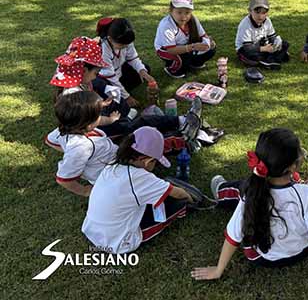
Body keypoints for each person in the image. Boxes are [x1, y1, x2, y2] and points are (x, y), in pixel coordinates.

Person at [191, 128, 308, 280]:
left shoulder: (251, 193)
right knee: (250, 190)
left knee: (241, 188)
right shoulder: (305, 193)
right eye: (299, 152)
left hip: (261, 258)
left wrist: (218, 270)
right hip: (301, 252)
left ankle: (221, 191)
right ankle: (223, 191)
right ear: (291, 167)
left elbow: (233, 236)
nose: (302, 154)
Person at [47, 37, 204, 148]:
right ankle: (182, 125)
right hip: (98, 133)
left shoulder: (77, 84)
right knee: (139, 127)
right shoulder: (73, 96)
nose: (96, 75)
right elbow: (91, 121)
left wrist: (102, 103)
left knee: (115, 100)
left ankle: (175, 123)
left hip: (94, 122)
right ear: (84, 70)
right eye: (96, 72)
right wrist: (110, 120)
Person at [82, 127, 194, 253]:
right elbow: (178, 194)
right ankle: (185, 208)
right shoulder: (140, 177)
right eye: (155, 162)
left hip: (91, 229)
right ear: (146, 161)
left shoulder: (113, 164)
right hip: (118, 242)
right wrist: (190, 198)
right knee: (177, 204)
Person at [48, 91, 118, 197]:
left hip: (109, 159)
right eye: (98, 115)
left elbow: (50, 140)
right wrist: (84, 191)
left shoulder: (64, 128)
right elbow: (64, 179)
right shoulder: (81, 147)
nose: (101, 117)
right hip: (109, 175)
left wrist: (67, 150)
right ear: (89, 124)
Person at [154, 0, 216, 79]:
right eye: (179, 12)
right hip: (165, 50)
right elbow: (171, 50)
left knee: (211, 49)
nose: (183, 16)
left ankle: (195, 63)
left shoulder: (193, 20)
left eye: (187, 13)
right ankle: (171, 69)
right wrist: (193, 47)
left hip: (186, 45)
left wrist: (208, 42)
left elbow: (203, 35)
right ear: (171, 10)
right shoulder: (166, 25)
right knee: (181, 63)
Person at [96, 17, 156, 108]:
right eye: (122, 45)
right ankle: (119, 94)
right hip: (106, 78)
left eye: (127, 45)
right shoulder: (103, 49)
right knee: (106, 89)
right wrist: (127, 97)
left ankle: (120, 92)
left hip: (118, 72)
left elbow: (133, 58)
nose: (125, 47)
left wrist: (144, 73)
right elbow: (110, 77)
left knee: (145, 69)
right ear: (110, 39)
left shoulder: (126, 41)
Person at [235, 0, 290, 69]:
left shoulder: (267, 21)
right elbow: (247, 48)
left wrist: (277, 44)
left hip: (262, 45)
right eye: (257, 12)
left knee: (285, 44)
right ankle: (268, 61)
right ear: (250, 11)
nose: (260, 16)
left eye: (264, 13)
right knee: (251, 56)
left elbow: (272, 37)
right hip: (246, 49)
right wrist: (264, 49)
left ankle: (270, 60)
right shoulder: (245, 24)